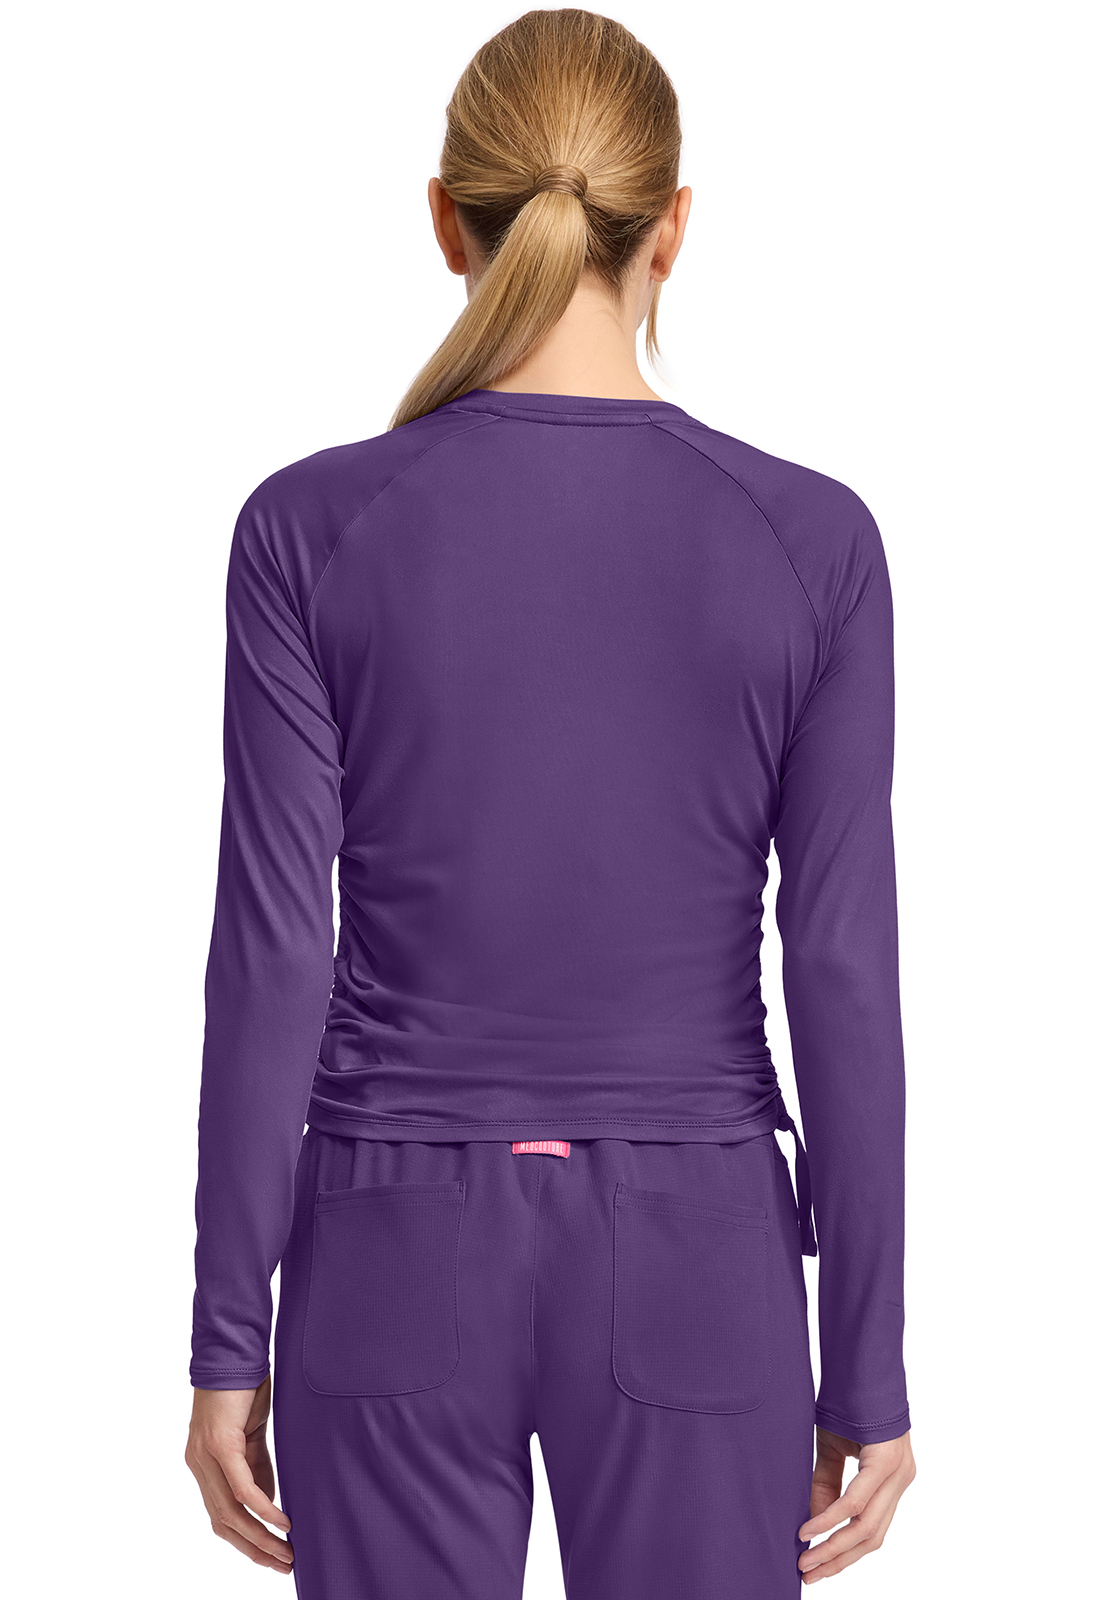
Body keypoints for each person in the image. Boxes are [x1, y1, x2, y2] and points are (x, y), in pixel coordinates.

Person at [184, 10, 916, 1596]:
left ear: (445, 219)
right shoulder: (812, 544)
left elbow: (271, 954)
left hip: (387, 1242)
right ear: (676, 228)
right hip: (699, 1248)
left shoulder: (310, 528)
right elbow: (841, 966)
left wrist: (227, 1339)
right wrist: (868, 1367)